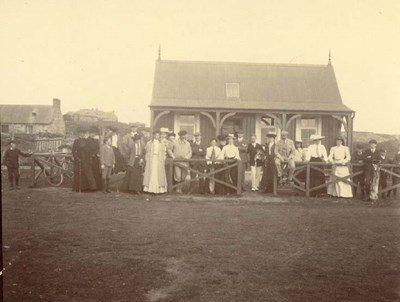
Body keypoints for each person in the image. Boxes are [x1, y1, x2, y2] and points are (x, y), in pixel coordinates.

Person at [72, 127, 97, 192]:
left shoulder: (86, 141)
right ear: (79, 134)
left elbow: (89, 149)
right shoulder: (76, 141)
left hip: (86, 158)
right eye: (81, 133)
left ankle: (89, 187)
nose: (82, 134)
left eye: (83, 133)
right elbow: (74, 151)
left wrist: (90, 156)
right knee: (79, 173)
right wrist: (76, 158)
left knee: (88, 172)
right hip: (79, 158)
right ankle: (78, 188)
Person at [87, 125, 102, 190]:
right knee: (90, 172)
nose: (93, 134)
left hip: (95, 158)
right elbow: (87, 148)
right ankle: (91, 186)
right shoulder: (87, 140)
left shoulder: (96, 141)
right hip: (89, 158)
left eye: (94, 133)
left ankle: (98, 186)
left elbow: (98, 148)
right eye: (92, 133)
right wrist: (91, 154)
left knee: (96, 171)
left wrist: (95, 153)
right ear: (89, 133)